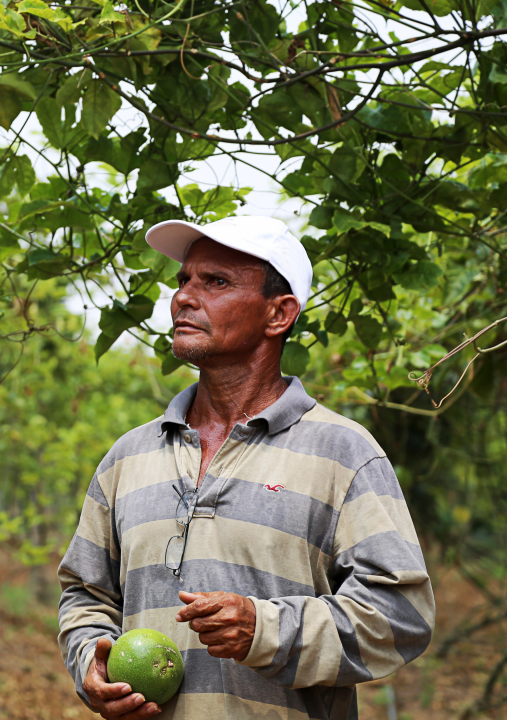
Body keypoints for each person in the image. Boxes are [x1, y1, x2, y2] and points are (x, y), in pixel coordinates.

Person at [57, 216, 434, 720]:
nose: (184, 298)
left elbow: (402, 615)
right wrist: (91, 663)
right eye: (183, 281)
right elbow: (85, 594)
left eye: (215, 282)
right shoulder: (128, 457)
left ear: (279, 315)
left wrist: (266, 630)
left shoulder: (344, 453)